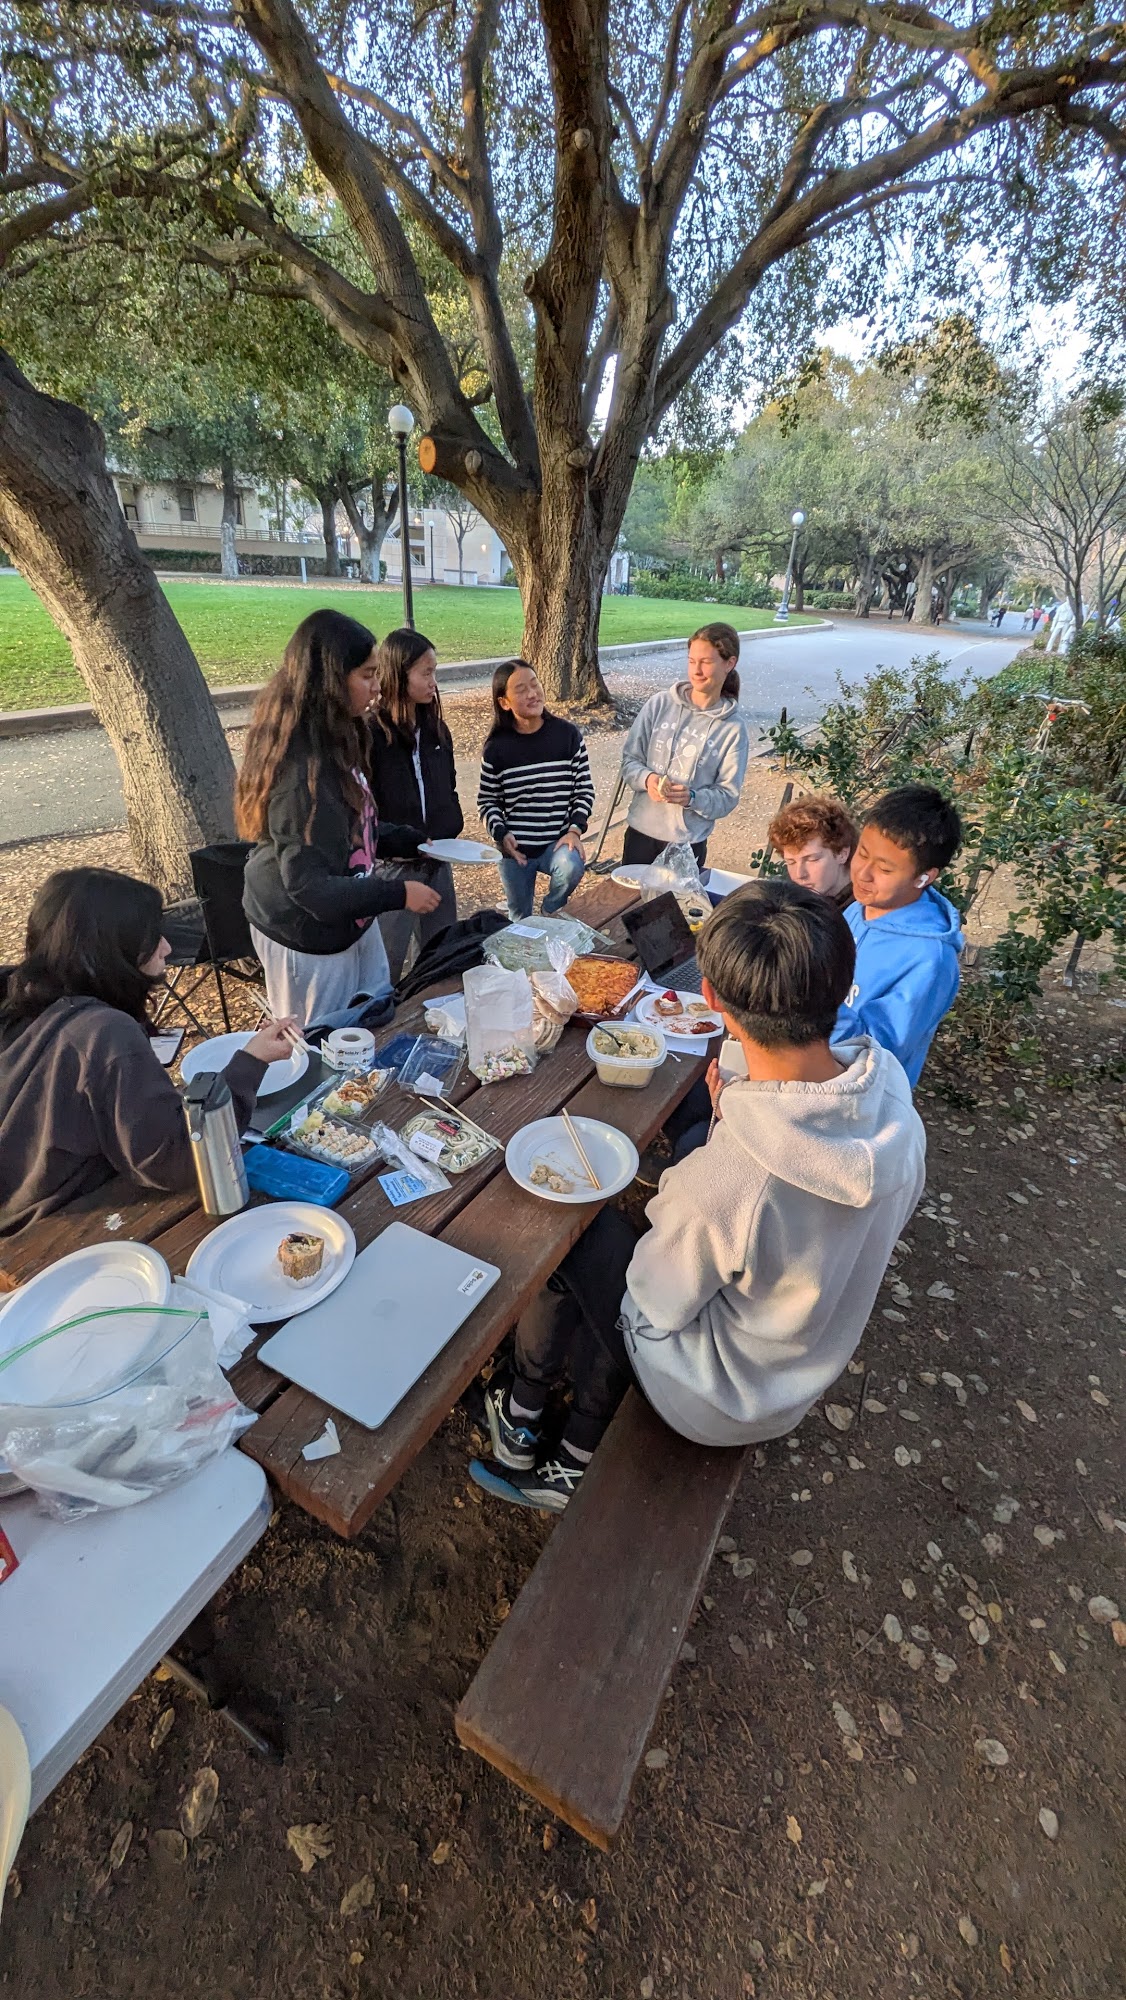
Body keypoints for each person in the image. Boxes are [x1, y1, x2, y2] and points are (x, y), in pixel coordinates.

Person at [469, 879, 926, 1511]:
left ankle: (546, 1438)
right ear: (840, 985)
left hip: (718, 1395)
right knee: (669, 1178)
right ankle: (546, 1421)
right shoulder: (893, 1098)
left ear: (709, 999)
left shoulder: (734, 1180)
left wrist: (710, 1153)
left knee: (573, 1232)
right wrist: (724, 1121)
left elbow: (657, 1297)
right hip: (794, 1365)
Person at [0, 869, 297, 1236]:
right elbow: (176, 1160)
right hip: (56, 1229)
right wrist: (252, 1061)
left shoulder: (22, 993)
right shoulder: (105, 1035)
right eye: (152, 936)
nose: (167, 947)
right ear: (113, 947)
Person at [238, 609, 440, 1028]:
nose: (378, 686)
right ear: (331, 680)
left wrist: (405, 839)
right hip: (305, 933)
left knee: (375, 1013)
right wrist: (399, 895)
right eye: (367, 675)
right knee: (322, 1043)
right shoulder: (302, 773)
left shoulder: (337, 735)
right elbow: (309, 888)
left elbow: (347, 827)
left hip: (349, 914)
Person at [832, 785, 963, 1088]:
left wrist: (808, 995)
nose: (863, 874)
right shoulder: (860, 909)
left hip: (856, 1103)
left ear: (923, 877)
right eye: (862, 853)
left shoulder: (930, 961)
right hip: (812, 1076)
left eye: (885, 869)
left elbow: (873, 1054)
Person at [368, 627, 462, 981]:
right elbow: (363, 814)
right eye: (426, 672)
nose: (433, 682)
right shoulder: (372, 736)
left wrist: (449, 828)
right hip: (392, 872)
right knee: (384, 970)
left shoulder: (436, 730)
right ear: (398, 674)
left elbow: (447, 787)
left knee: (441, 960)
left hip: (438, 863)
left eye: (435, 671)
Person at [619, 623, 749, 869]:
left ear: (729, 663)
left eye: (706, 662)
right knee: (630, 907)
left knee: (674, 908)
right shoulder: (659, 704)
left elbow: (727, 797)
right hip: (641, 833)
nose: (696, 670)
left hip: (688, 843)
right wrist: (648, 780)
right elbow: (629, 761)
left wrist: (692, 798)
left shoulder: (733, 729)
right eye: (691, 661)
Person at [477, 659, 595, 920]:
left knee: (571, 865)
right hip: (516, 849)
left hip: (557, 842)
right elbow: (487, 801)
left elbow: (583, 790)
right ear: (504, 702)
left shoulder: (568, 736)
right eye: (520, 689)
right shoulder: (497, 749)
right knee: (519, 918)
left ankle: (551, 909)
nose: (532, 693)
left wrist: (574, 830)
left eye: (535, 684)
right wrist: (501, 834)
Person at [768, 793, 857, 910]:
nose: (800, 874)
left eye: (812, 859)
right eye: (791, 862)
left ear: (842, 853)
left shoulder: (866, 913)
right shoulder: (793, 901)